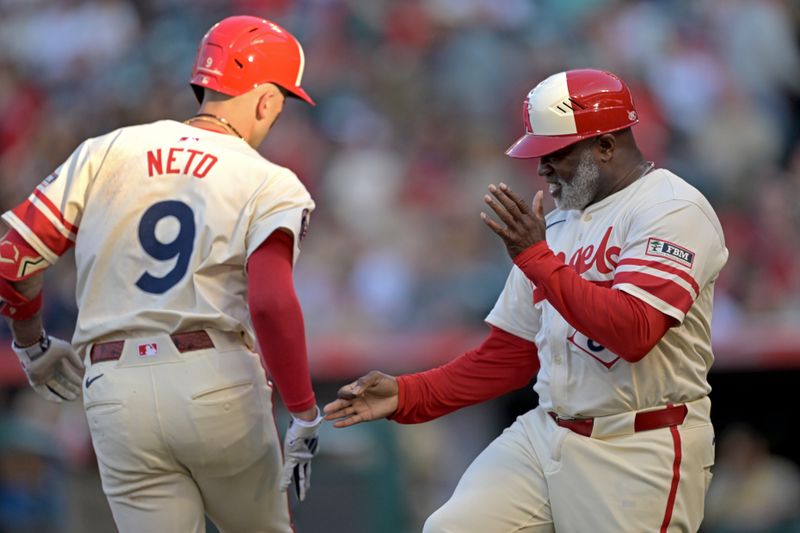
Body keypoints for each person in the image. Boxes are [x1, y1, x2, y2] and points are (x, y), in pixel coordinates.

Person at [324, 68, 728, 532]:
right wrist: (409, 393)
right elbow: (510, 355)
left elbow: (634, 331)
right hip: (547, 431)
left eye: (555, 153)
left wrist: (536, 258)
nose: (541, 168)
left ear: (606, 146)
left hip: (638, 443)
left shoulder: (672, 208)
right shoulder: (556, 224)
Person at [0, 15, 323, 533]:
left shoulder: (105, 149)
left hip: (113, 387)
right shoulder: (269, 179)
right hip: (215, 382)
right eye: (281, 102)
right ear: (266, 99)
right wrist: (304, 410)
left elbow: (13, 260)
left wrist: (32, 344)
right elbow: (270, 302)